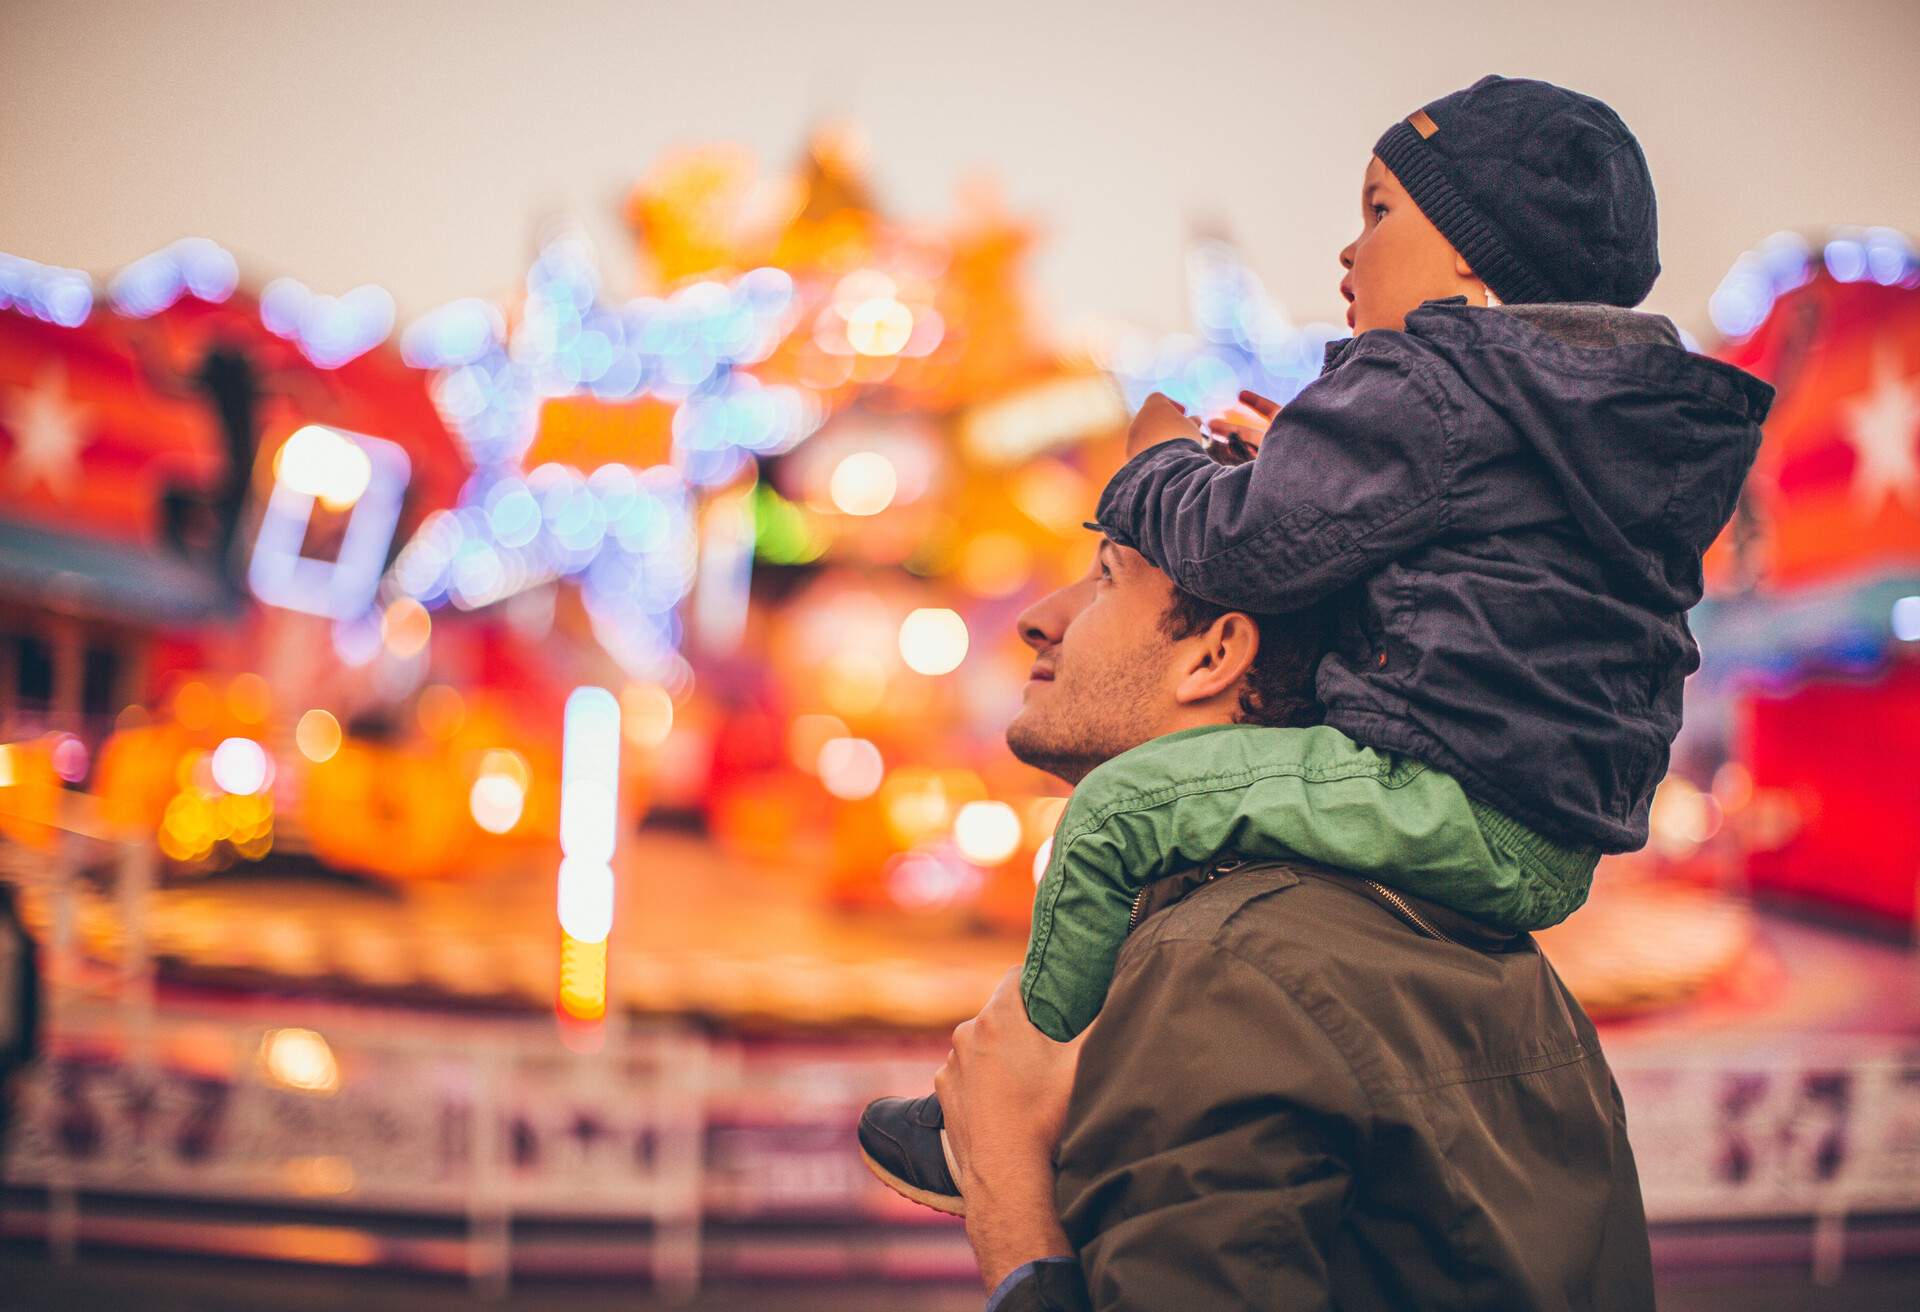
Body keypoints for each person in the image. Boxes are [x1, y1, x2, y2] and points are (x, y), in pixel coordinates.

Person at [859, 73, 1774, 1212]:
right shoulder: (1598, 424)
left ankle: (1002, 1107)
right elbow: (1481, 555)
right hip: (1553, 838)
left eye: (1380, 210)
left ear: (1471, 261)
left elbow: (1246, 550)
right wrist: (1312, 453)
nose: (1349, 251)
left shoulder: (1427, 383)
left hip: (1439, 783)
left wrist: (1155, 473)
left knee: (1119, 810)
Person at [942, 535, 1656, 1309]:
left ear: (1215, 655)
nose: (1040, 619)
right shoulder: (1466, 931)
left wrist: (1009, 1194)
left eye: (1104, 577)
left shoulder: (1222, 967)